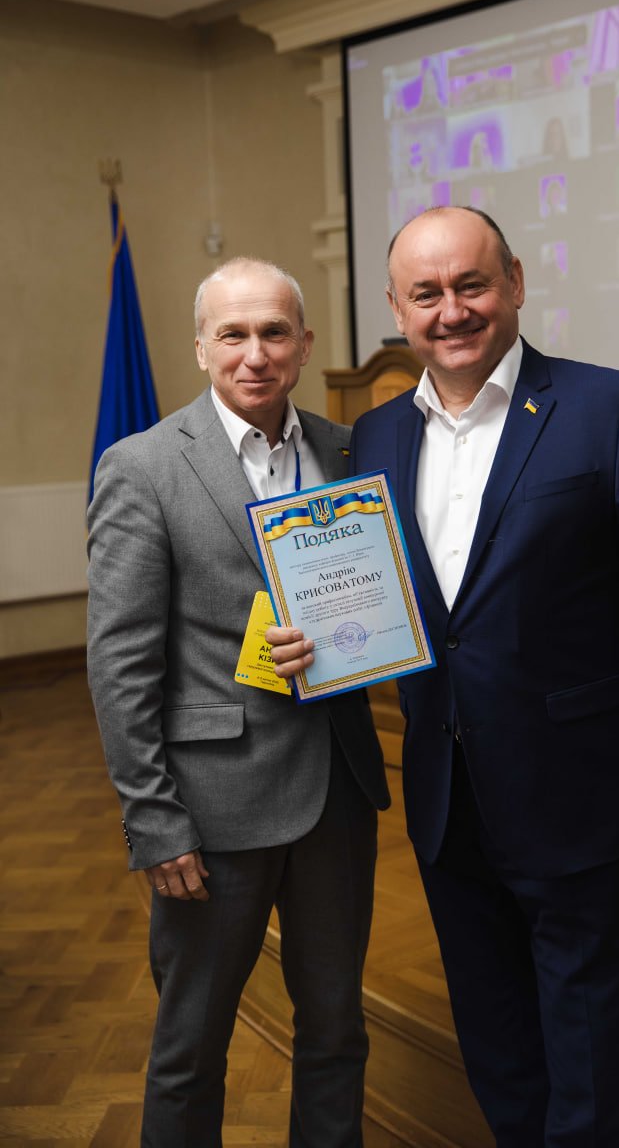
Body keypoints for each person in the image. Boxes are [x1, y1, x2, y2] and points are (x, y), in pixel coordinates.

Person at [269, 207, 619, 1147]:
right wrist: (316, 643)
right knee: (495, 1047)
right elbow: (390, 604)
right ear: (397, 309)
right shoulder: (375, 437)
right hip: (447, 807)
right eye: (426, 293)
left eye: (471, 285)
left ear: (514, 283)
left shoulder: (605, 407)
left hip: (586, 803)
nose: (451, 311)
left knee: (591, 1060)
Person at [87, 257, 390, 1148]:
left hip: (337, 792)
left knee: (336, 1031)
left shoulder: (351, 452)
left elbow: (381, 601)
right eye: (233, 334)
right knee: (191, 1047)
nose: (254, 354)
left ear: (302, 344)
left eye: (273, 333)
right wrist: (153, 820)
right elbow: (120, 661)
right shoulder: (142, 467)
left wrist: (355, 639)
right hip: (211, 809)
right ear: (201, 347)